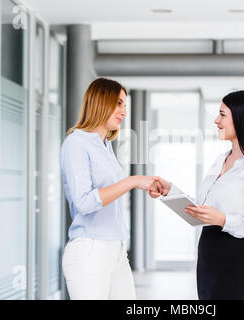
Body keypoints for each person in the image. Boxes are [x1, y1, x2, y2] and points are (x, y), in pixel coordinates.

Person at [149, 90, 244, 300]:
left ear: (241, 118)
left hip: (235, 261)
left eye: (222, 115)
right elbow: (202, 209)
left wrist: (224, 220)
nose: (216, 120)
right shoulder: (221, 159)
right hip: (208, 256)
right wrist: (170, 190)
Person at [60, 78, 162, 300]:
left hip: (116, 249)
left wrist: (142, 184)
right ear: (100, 102)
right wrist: (133, 181)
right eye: (119, 103)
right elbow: (84, 203)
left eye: (125, 105)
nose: (124, 111)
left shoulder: (105, 146)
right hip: (90, 250)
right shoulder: (76, 143)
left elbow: (110, 192)